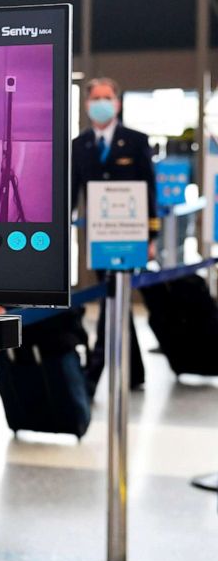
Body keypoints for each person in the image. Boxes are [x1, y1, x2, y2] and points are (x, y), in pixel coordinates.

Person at [72, 77, 159, 396]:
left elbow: (150, 190)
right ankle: (135, 370)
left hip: (130, 237)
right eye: (95, 98)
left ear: (118, 103)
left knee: (112, 298)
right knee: (116, 299)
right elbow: (72, 194)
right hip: (98, 238)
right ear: (87, 104)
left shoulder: (135, 141)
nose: (101, 103)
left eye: (107, 97)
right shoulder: (79, 146)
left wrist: (153, 236)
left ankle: (92, 375)